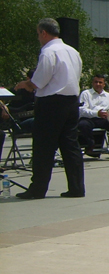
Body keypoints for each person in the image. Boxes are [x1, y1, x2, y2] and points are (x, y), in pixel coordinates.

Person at [14, 18, 85, 199]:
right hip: (71, 102)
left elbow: (38, 82)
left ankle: (38, 188)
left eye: (38, 34)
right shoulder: (73, 51)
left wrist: (24, 84)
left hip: (52, 103)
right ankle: (77, 187)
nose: (38, 37)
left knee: (44, 147)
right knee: (70, 146)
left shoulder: (48, 52)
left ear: (44, 33)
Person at [77, 74, 109, 160]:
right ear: (92, 83)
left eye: (100, 82)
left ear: (104, 84)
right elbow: (82, 110)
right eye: (96, 82)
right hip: (90, 118)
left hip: (104, 119)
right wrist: (97, 113)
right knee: (83, 124)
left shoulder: (108, 95)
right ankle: (90, 145)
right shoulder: (86, 94)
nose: (98, 84)